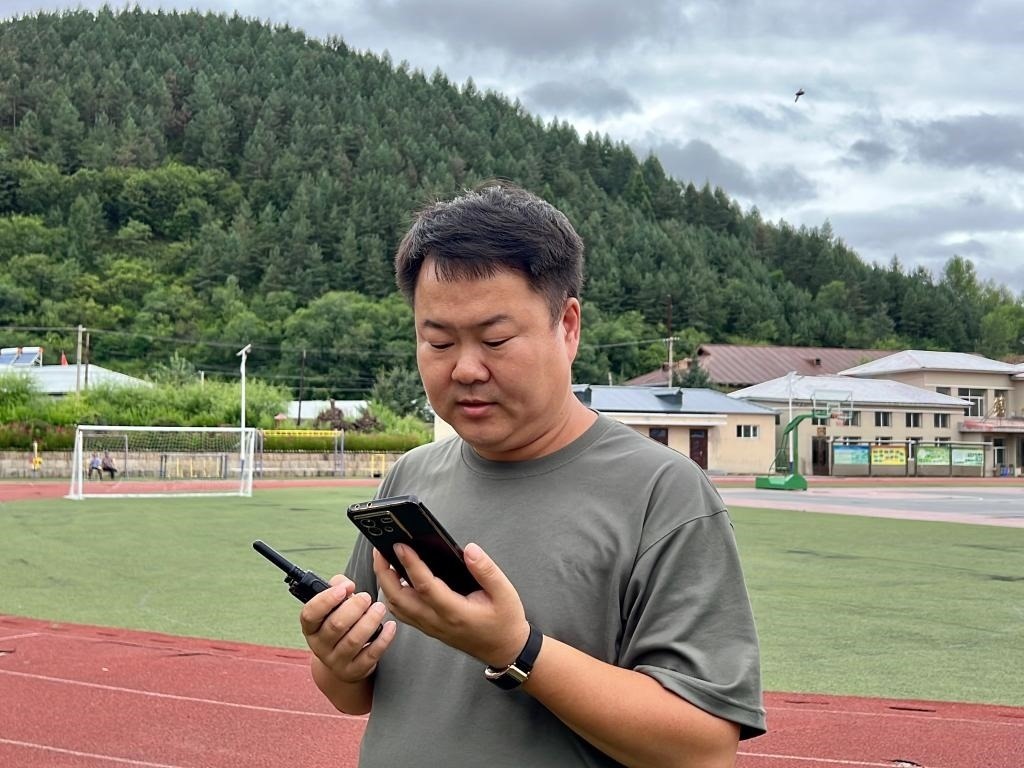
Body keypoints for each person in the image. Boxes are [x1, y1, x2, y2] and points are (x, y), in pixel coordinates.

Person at [301, 183, 765, 767]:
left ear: (567, 326)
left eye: (495, 339)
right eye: (437, 341)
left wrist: (517, 650)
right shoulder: (410, 478)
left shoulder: (663, 492)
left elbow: (704, 749)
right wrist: (336, 657)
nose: (466, 369)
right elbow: (354, 694)